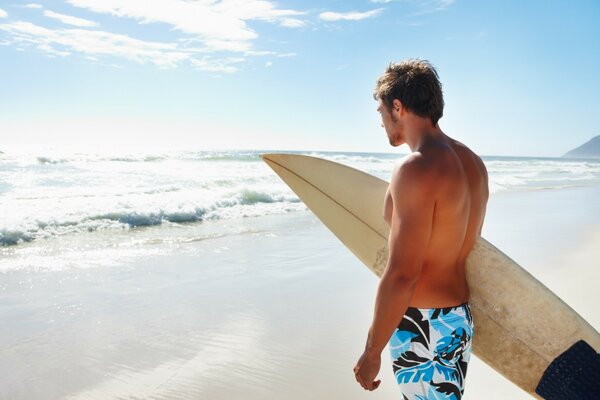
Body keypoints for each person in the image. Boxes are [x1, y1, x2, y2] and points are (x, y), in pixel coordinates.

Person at [353, 59, 489, 399]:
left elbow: (402, 273)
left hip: (423, 325)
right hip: (457, 319)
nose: (381, 122)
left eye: (381, 112)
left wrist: (371, 354)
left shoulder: (417, 169)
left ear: (397, 106)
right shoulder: (473, 163)